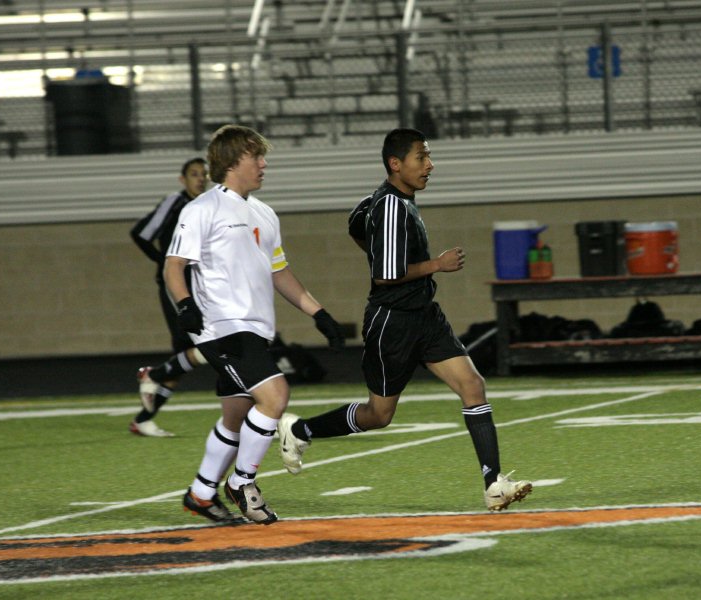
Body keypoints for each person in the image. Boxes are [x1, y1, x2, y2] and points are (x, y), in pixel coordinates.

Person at [277, 128, 533, 512]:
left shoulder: (385, 201)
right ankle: (299, 430)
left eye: (428, 157)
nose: (430, 165)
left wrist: (380, 247)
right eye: (421, 157)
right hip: (392, 321)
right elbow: (385, 274)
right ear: (396, 164)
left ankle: (493, 483)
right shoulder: (390, 206)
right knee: (378, 415)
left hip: (425, 316)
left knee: (473, 385)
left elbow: (354, 222)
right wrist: (437, 265)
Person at [166, 124, 345, 524]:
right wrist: (184, 306)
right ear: (232, 162)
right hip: (221, 327)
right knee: (275, 397)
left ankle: (200, 493)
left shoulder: (265, 213)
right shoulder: (201, 209)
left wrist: (319, 314)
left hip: (255, 329)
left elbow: (279, 272)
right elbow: (173, 266)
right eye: (256, 157)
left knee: (236, 416)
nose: (264, 164)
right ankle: (242, 483)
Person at [129, 157, 210, 437]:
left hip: (200, 287)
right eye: (194, 174)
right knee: (201, 350)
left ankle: (143, 417)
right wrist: (163, 262)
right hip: (176, 286)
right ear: (182, 179)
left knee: (187, 356)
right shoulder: (174, 202)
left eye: (204, 174)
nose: (200, 179)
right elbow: (139, 233)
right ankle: (154, 375)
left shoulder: (209, 204)